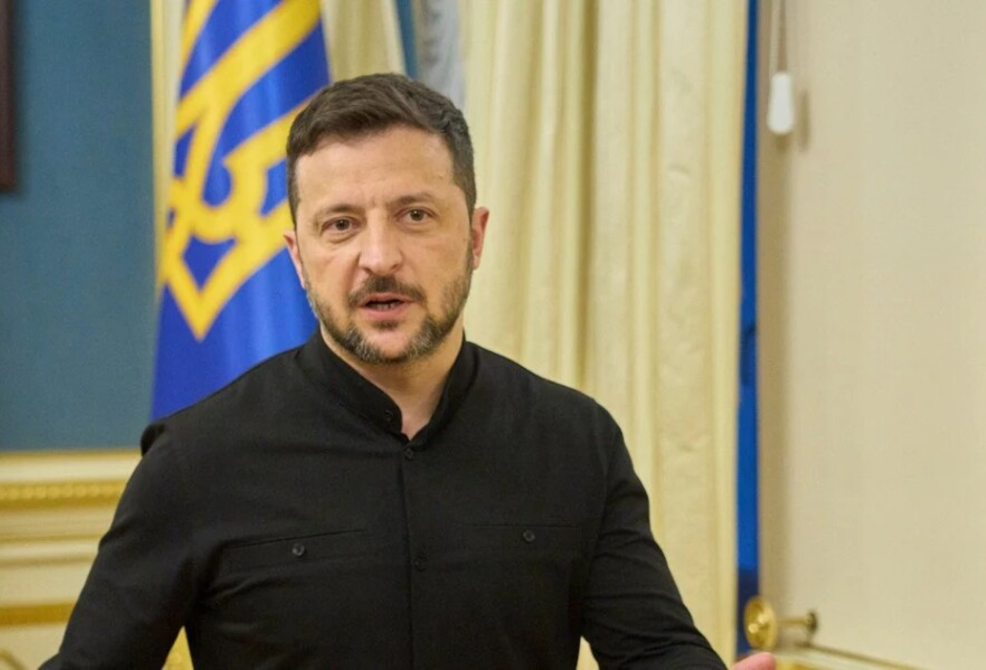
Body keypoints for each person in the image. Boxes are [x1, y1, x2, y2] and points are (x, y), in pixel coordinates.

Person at [44, 74, 774, 670]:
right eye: (340, 225)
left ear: (475, 237)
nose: (379, 257)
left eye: (415, 215)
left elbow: (653, 650)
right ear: (298, 256)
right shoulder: (195, 460)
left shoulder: (576, 441)